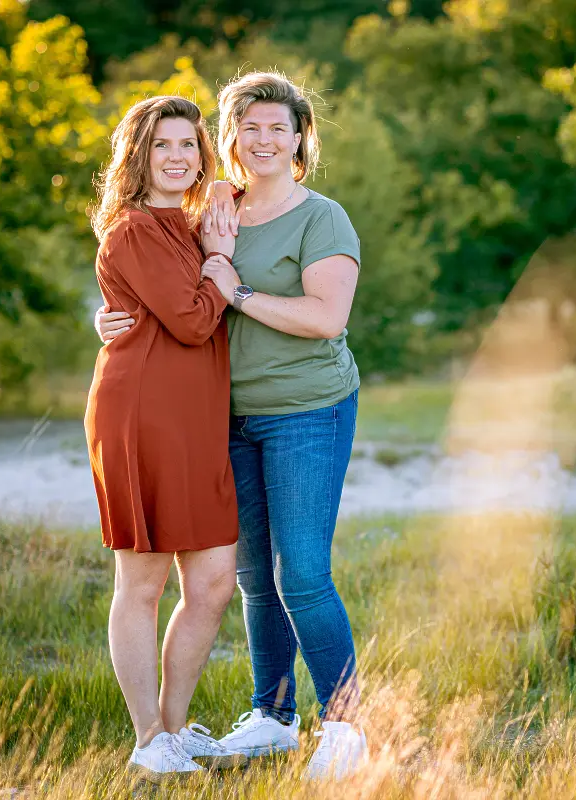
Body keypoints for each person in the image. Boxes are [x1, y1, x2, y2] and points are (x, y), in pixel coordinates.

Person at [95, 72, 368, 780]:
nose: (265, 139)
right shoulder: (214, 210)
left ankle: (344, 726)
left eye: (280, 127)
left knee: (301, 571)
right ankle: (271, 716)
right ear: (234, 138)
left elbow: (324, 319)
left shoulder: (321, 217)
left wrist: (234, 287)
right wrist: (108, 319)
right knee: (250, 577)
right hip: (225, 419)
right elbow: (147, 278)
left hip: (307, 410)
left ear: (302, 136)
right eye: (251, 127)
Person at [85, 95, 246, 780]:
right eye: (162, 146)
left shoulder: (193, 220)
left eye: (189, 144)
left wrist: (214, 244)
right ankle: (148, 736)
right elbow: (187, 320)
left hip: (199, 418)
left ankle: (175, 733)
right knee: (143, 581)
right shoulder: (133, 229)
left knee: (212, 582)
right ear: (138, 155)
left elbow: (262, 172)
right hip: (143, 414)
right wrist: (220, 269)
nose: (178, 157)